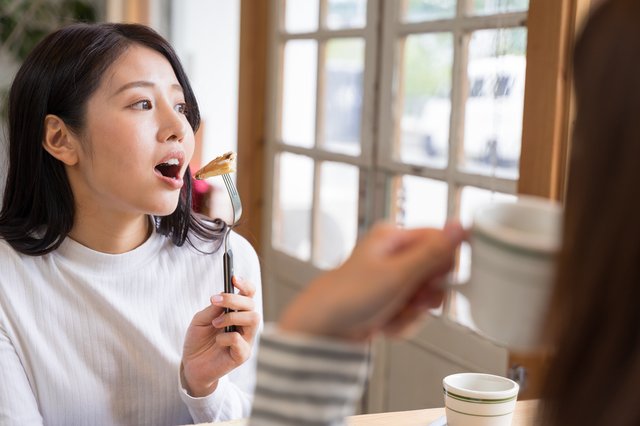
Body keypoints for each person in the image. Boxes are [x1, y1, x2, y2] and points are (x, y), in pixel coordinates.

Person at [0, 23, 262, 425]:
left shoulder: (226, 261)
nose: (180, 129)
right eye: (141, 103)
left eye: (180, 107)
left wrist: (204, 388)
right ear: (60, 139)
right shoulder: (7, 279)